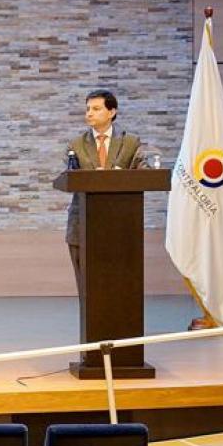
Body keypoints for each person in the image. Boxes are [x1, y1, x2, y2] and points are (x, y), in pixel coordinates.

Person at [64, 89, 141, 298]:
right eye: (88, 109)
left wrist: (117, 176)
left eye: (96, 109)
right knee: (88, 289)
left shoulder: (130, 142)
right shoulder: (76, 144)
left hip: (120, 226)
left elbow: (145, 172)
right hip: (83, 224)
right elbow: (71, 176)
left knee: (118, 287)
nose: (89, 113)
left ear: (112, 112)